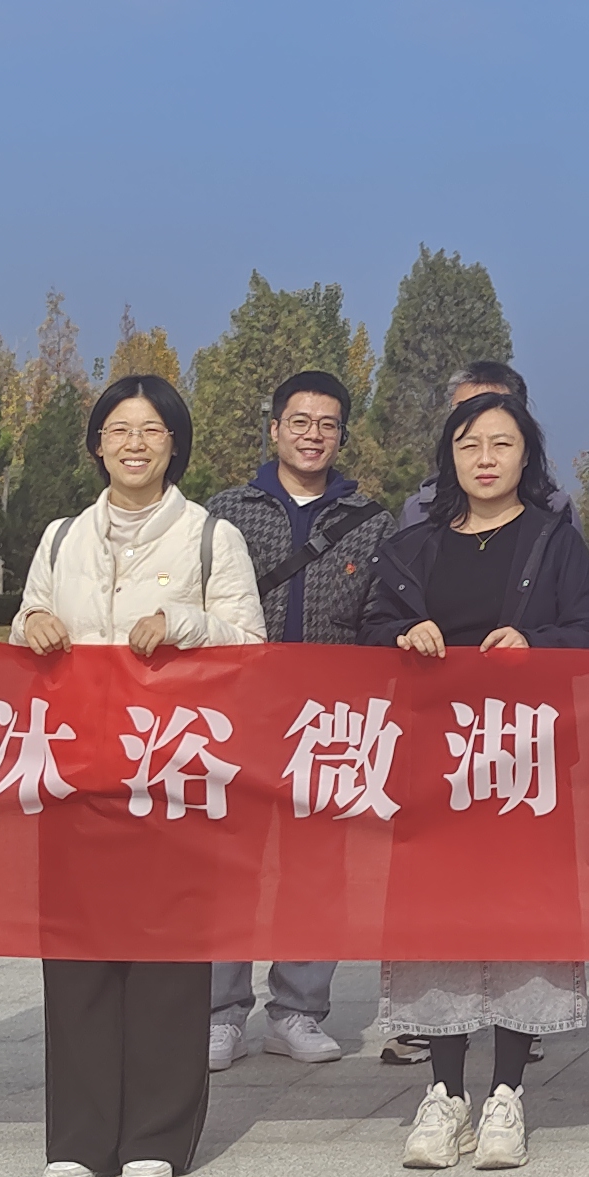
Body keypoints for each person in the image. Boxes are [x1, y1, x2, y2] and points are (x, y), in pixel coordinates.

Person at [17, 373, 263, 1177]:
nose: (134, 443)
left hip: (171, 776)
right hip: (77, 773)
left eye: (151, 430)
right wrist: (31, 624)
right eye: (119, 429)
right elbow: (25, 630)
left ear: (173, 444)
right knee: (77, 956)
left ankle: (157, 1133)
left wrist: (184, 624)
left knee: (165, 956)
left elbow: (250, 646)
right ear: (96, 444)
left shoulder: (210, 538)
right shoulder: (61, 538)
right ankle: (80, 1137)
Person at [361, 387, 589, 1173]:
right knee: (437, 921)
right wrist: (403, 633)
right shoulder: (414, 547)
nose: (486, 459)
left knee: (518, 919)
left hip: (522, 763)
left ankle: (506, 1092)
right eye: (470, 445)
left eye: (502, 444)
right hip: (433, 765)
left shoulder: (554, 542)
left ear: (526, 456)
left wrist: (535, 645)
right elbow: (367, 630)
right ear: (450, 459)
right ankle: (444, 1093)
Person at [207, 367, 386, 1073]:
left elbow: (379, 617)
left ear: (342, 435)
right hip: (239, 716)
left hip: (328, 720)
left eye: (328, 425)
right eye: (301, 422)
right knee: (229, 865)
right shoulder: (225, 512)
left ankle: (298, 1011)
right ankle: (220, 1014)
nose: (313, 436)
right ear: (276, 427)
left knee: (318, 870)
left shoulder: (369, 519)